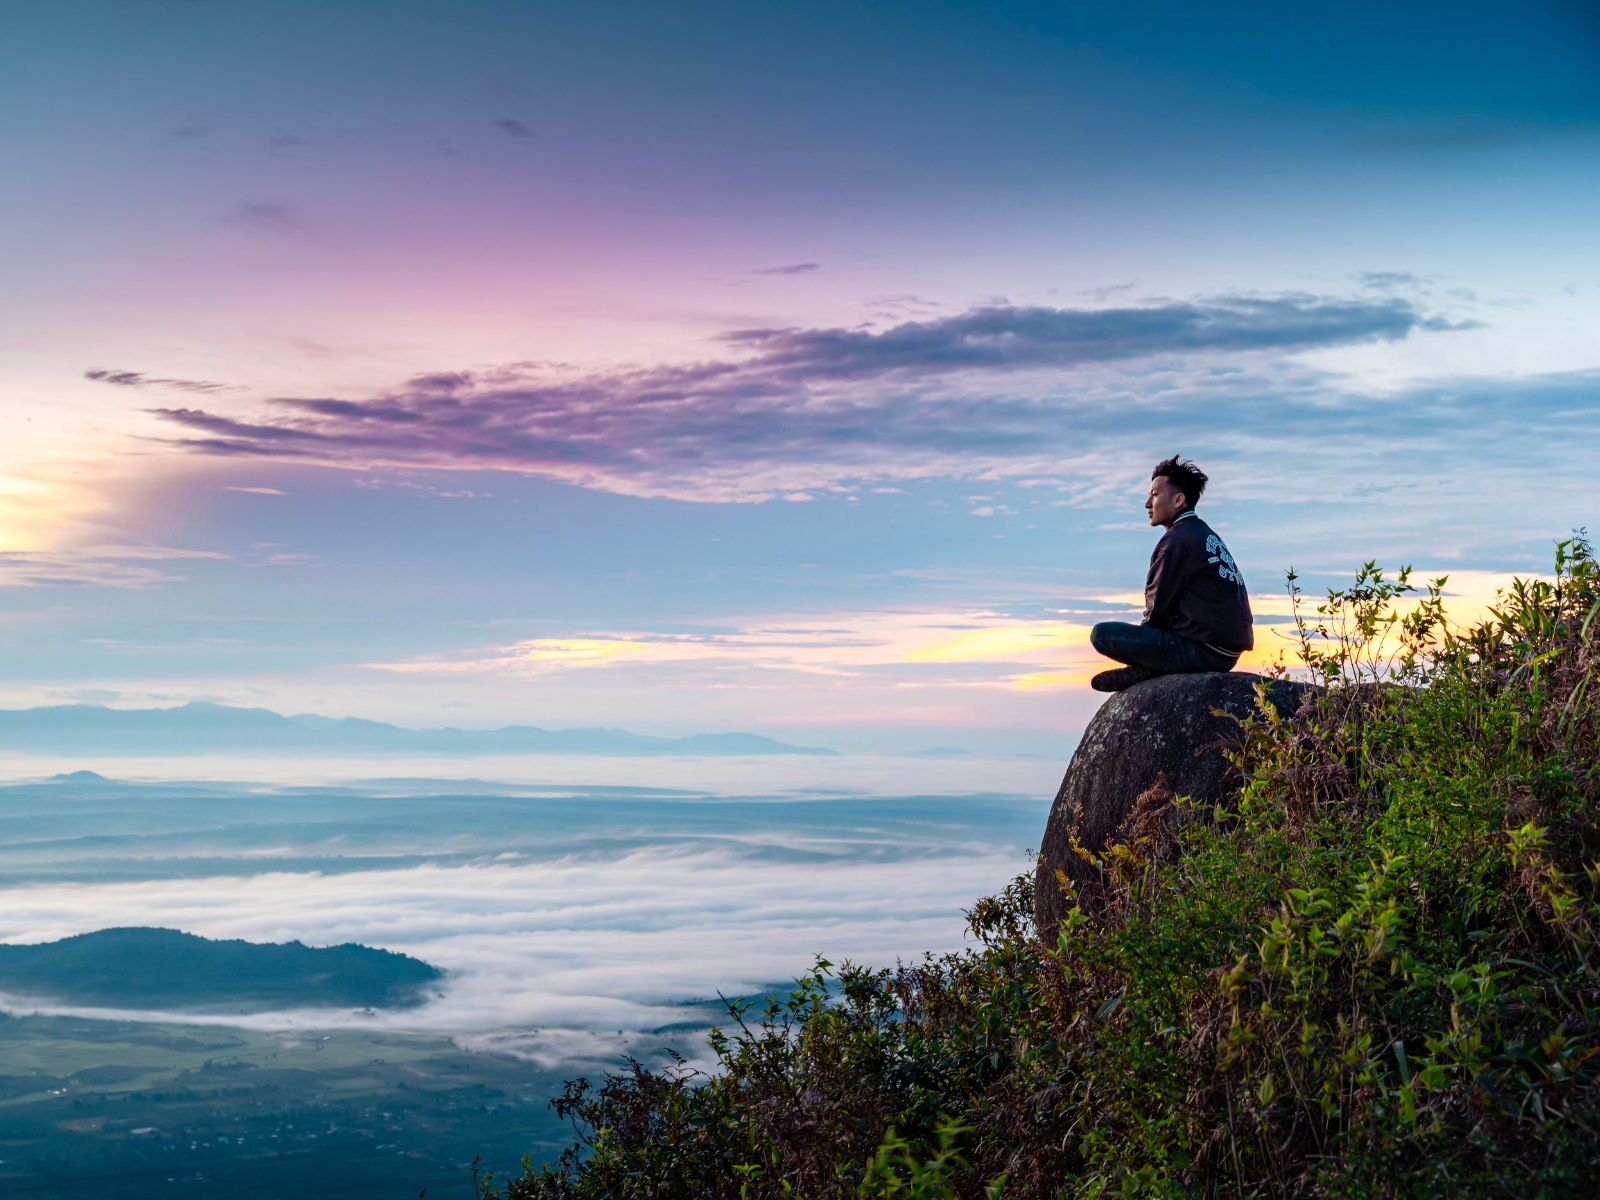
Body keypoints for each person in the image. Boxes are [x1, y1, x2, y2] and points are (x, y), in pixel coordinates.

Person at [1089, 455, 1253, 693]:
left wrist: (1143, 649)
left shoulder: (1177, 540)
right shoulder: (1205, 535)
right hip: (1225, 652)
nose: (1147, 503)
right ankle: (1149, 669)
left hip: (1201, 649)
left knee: (1101, 635)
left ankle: (1148, 668)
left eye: (1154, 495)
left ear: (1178, 500)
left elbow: (1156, 610)